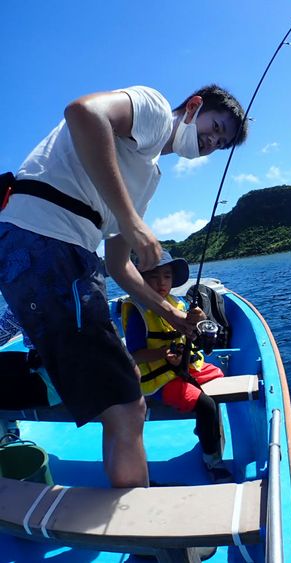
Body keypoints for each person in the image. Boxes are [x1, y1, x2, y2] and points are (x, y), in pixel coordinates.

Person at [0, 84, 248, 487]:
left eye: (221, 143)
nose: (213, 141)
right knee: (127, 406)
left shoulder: (147, 178)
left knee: (118, 394)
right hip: (48, 242)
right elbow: (82, 112)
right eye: (216, 127)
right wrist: (132, 221)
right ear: (194, 106)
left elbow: (118, 266)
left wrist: (171, 312)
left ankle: (133, 493)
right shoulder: (152, 108)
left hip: (62, 254)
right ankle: (140, 521)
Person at [121, 251, 231, 483]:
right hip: (161, 379)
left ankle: (204, 427)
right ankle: (212, 459)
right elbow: (135, 356)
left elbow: (196, 336)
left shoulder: (176, 303)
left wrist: (198, 319)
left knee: (220, 375)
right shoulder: (137, 311)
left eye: (167, 276)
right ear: (139, 279)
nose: (162, 283)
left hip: (185, 368)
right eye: (153, 277)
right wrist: (163, 353)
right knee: (207, 405)